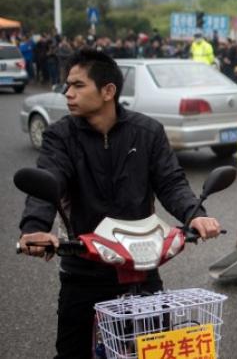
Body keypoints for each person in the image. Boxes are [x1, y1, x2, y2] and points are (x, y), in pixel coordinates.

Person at [17, 50, 221, 358]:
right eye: (67, 85)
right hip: (84, 265)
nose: (68, 93)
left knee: (156, 349)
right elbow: (49, 180)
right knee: (72, 352)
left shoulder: (148, 131)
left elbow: (171, 182)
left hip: (141, 263)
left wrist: (195, 215)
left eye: (78, 85)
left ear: (108, 91)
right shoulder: (60, 136)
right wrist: (35, 226)